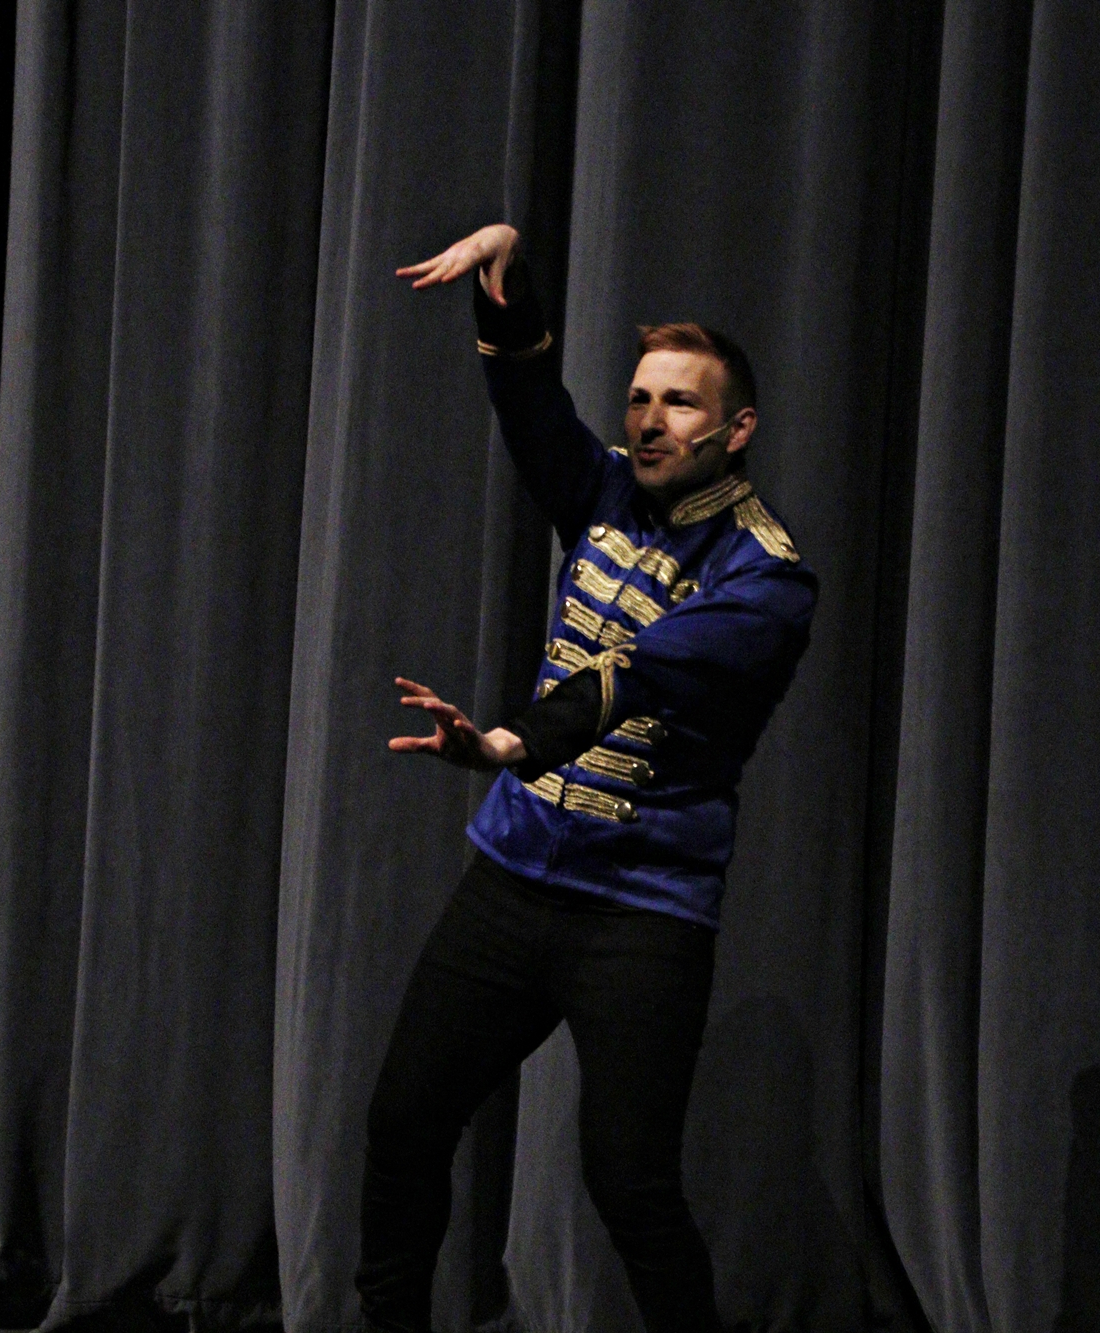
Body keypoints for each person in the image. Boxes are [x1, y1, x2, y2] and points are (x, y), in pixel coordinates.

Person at [356, 222, 818, 1333]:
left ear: (737, 430)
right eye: (640, 398)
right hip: (513, 881)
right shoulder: (604, 490)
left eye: (680, 404)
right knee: (404, 1122)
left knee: (629, 1183)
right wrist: (504, 280)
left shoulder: (768, 577)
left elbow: (640, 671)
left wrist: (508, 744)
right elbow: (529, 405)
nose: (649, 421)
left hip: (641, 912)